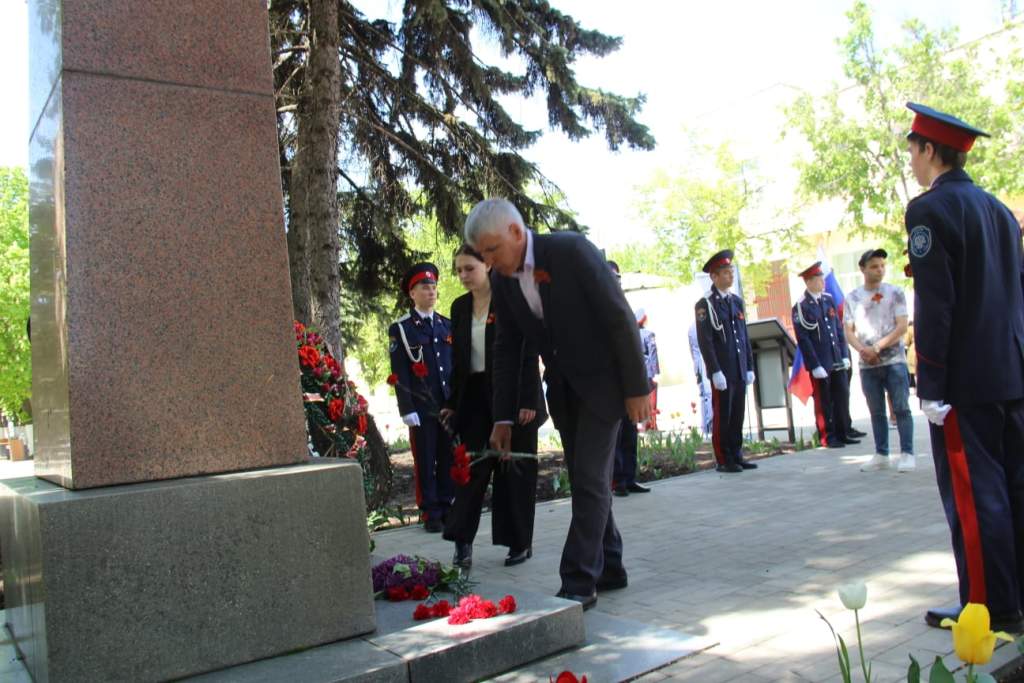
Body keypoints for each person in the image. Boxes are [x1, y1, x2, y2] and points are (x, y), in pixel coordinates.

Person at [464, 198, 650, 612]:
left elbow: (619, 317)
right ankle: (611, 566)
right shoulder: (505, 281)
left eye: (492, 249)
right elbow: (507, 349)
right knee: (588, 479)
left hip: (605, 386)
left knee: (589, 481)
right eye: (482, 254)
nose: (489, 261)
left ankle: (578, 582)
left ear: (516, 232)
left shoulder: (571, 251)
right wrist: (502, 417)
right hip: (564, 391)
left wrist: (638, 389)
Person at [903, 102, 1024, 633]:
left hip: (966, 383)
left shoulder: (929, 211)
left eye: (913, 150)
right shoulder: (998, 210)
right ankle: (1015, 596)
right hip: (1011, 372)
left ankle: (986, 605)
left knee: (977, 497)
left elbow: (937, 302)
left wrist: (930, 381)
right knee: (1015, 488)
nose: (911, 160)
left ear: (930, 150)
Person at [441, 245, 546, 569]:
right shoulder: (459, 307)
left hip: (513, 395)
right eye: (458, 270)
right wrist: (452, 404)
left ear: (487, 265)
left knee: (514, 469)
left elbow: (528, 351)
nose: (463, 275)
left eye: (469, 268)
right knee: (471, 469)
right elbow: (459, 362)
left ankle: (519, 542)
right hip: (474, 396)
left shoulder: (510, 298)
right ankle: (462, 543)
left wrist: (528, 400)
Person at [388, 263, 455, 532]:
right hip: (422, 407)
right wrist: (406, 407)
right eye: (425, 287)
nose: (431, 291)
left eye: (434, 286)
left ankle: (447, 505)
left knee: (448, 456)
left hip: (447, 405)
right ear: (412, 293)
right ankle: (430, 511)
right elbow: (400, 372)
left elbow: (454, 367)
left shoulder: (446, 325)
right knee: (426, 460)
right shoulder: (402, 329)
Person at [844, 249, 915, 472]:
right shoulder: (853, 298)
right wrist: (863, 350)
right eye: (874, 266)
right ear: (863, 269)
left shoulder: (895, 293)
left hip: (894, 360)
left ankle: (907, 453)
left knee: (901, 408)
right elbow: (848, 331)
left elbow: (902, 326)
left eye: (882, 265)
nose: (880, 270)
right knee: (876, 411)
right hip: (867, 364)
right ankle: (881, 453)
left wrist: (877, 347)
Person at [694, 250, 758, 473]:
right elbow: (706, 341)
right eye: (725, 272)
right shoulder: (705, 305)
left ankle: (737, 454)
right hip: (723, 369)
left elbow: (744, 336)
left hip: (739, 367)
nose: (730, 275)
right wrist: (715, 370)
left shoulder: (736, 302)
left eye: (731, 271)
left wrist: (749, 366)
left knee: (738, 413)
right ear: (714, 277)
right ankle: (724, 458)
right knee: (724, 414)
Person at [792, 262, 857, 449]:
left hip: (836, 358)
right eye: (818, 279)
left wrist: (844, 354)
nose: (822, 282)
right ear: (808, 282)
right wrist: (814, 365)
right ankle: (827, 435)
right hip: (821, 362)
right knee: (824, 401)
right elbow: (804, 339)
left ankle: (843, 432)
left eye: (822, 278)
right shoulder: (801, 307)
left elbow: (838, 330)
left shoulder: (827, 300)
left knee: (841, 396)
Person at [688, 321, 713, 437]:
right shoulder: (703, 326)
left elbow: (692, 350)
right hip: (704, 364)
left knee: (704, 396)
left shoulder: (691, 328)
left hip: (698, 365)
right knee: (708, 395)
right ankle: (710, 426)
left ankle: (706, 428)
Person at [639, 309, 661, 432]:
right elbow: (653, 353)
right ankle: (652, 424)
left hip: (638, 371)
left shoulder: (633, 334)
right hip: (648, 370)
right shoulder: (649, 334)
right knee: (651, 397)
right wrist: (656, 371)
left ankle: (644, 423)